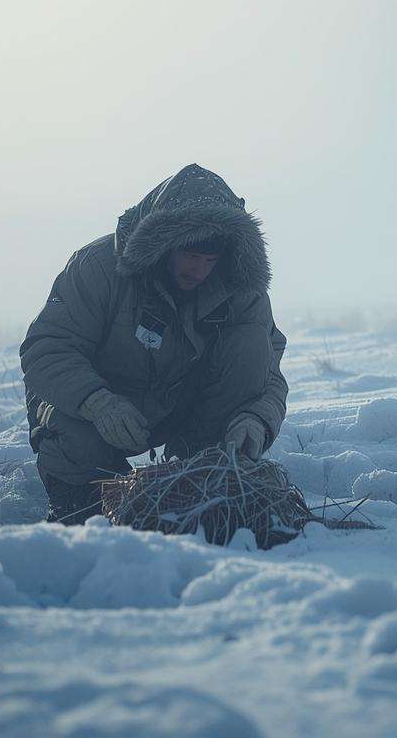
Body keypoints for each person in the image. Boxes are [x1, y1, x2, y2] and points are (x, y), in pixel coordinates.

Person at [20, 164, 288, 525]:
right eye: (191, 257)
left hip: (182, 407)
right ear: (164, 245)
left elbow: (269, 373)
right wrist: (97, 403)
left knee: (252, 344)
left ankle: (201, 475)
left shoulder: (241, 286)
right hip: (96, 409)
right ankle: (77, 503)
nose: (200, 271)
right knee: (80, 467)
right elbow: (46, 348)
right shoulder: (97, 267)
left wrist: (256, 420)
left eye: (211, 260)